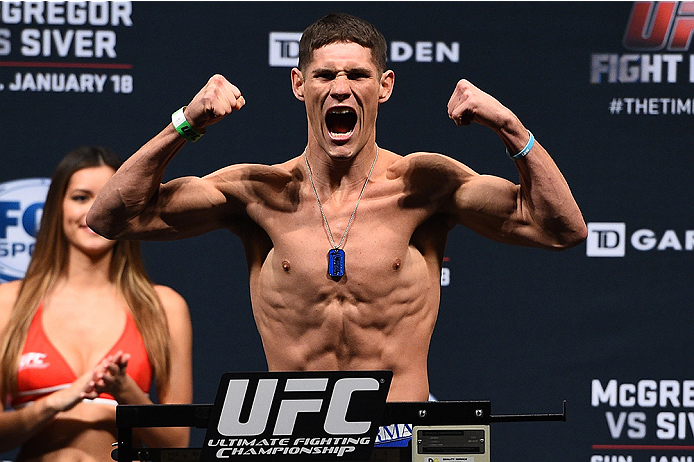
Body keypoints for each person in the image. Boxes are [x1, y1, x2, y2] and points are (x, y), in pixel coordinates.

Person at [87, 13, 586, 403]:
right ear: (299, 85)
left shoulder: (423, 185)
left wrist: (510, 127)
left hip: (400, 430)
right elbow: (109, 217)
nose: (340, 88)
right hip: (294, 436)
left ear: (384, 86)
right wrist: (186, 123)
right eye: (324, 74)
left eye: (357, 75)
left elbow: (561, 228)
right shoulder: (257, 192)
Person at [0, 146, 193, 461]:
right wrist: (55, 401)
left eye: (109, 198)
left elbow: (176, 442)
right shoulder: (8, 303)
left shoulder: (164, 306)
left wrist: (125, 390)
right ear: (56, 208)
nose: (94, 211)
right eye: (80, 197)